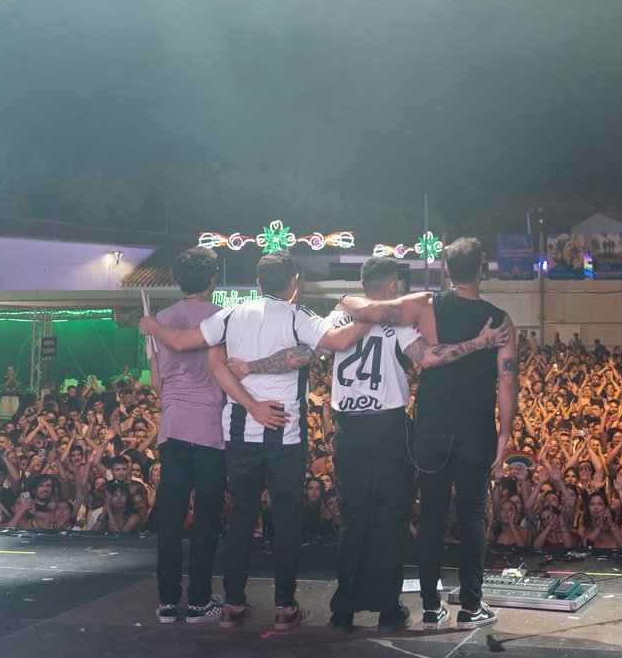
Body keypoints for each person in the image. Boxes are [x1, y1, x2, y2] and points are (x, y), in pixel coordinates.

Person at [244, 255, 509, 634]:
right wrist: (481, 342)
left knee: (352, 519)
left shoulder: (336, 319)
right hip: (387, 428)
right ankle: (387, 607)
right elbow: (429, 359)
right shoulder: (395, 321)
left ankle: (344, 610)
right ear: (389, 287)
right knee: (391, 517)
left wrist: (248, 367)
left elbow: (302, 356)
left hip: (347, 429)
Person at [141, 250, 369, 631]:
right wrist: (366, 311)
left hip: (237, 431)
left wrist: (151, 325)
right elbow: (340, 341)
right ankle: (284, 608)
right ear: (293, 282)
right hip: (285, 431)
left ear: (257, 282)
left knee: (241, 520)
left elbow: (186, 345)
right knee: (285, 520)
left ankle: (231, 605)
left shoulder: (229, 315)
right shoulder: (300, 316)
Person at [343, 237, 517, 631]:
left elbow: (370, 308)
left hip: (432, 426)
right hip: (475, 427)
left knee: (433, 513)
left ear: (445, 270)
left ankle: (430, 608)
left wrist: (345, 299)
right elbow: (508, 383)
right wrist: (505, 435)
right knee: (472, 513)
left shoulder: (424, 305)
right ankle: (471, 606)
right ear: (481, 269)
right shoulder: (501, 320)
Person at [146, 247, 228, 624]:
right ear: (212, 280)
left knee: (171, 516)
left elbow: (157, 384)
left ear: (178, 280)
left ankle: (166, 603)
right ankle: (198, 602)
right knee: (207, 516)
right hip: (211, 426)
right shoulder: (221, 318)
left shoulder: (157, 319)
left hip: (172, 425)